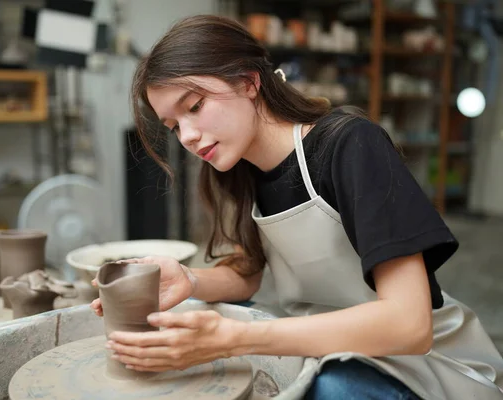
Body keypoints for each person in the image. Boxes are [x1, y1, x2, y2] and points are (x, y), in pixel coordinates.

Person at [90, 15, 503, 399]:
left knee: (326, 384)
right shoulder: (235, 169)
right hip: (331, 346)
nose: (190, 137)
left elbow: (409, 326)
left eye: (194, 106)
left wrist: (233, 337)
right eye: (174, 126)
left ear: (249, 82)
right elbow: (246, 275)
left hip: (428, 363)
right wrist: (189, 281)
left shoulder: (349, 145)